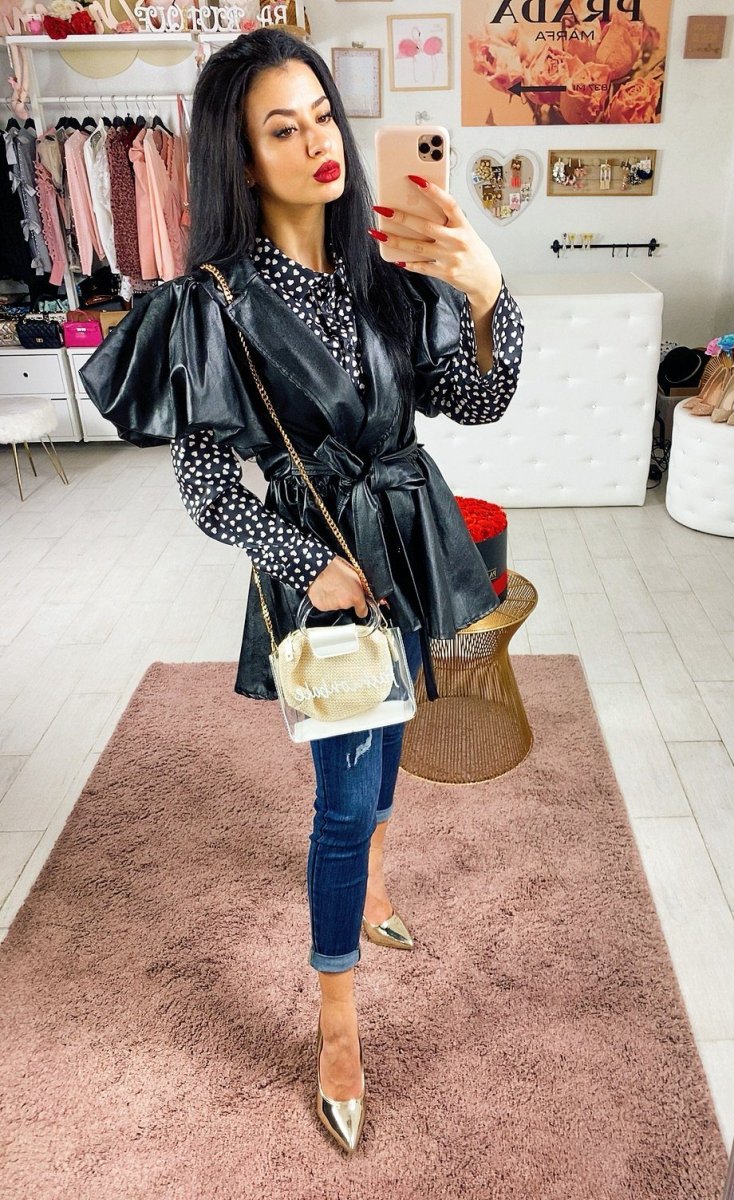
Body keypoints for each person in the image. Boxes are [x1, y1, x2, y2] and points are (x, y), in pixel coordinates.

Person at [79, 28, 524, 1156]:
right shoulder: (213, 304)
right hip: (323, 568)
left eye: (323, 115)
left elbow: (477, 402)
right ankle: (337, 1021)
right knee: (343, 797)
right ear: (241, 158)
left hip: (410, 541)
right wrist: (302, 560)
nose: (318, 141)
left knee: (393, 741)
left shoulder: (389, 270)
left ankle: (370, 885)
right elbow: (203, 485)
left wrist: (487, 295)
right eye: (283, 129)